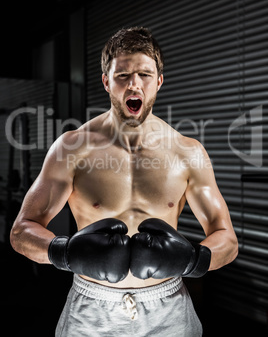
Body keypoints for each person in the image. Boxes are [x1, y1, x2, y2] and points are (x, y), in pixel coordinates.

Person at [10, 27, 238, 336]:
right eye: (122, 76)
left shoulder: (188, 152)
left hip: (167, 308)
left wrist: (193, 259)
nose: (134, 84)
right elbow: (21, 231)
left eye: (145, 74)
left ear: (158, 81)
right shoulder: (72, 147)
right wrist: (64, 253)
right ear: (106, 82)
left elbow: (227, 238)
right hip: (91, 309)